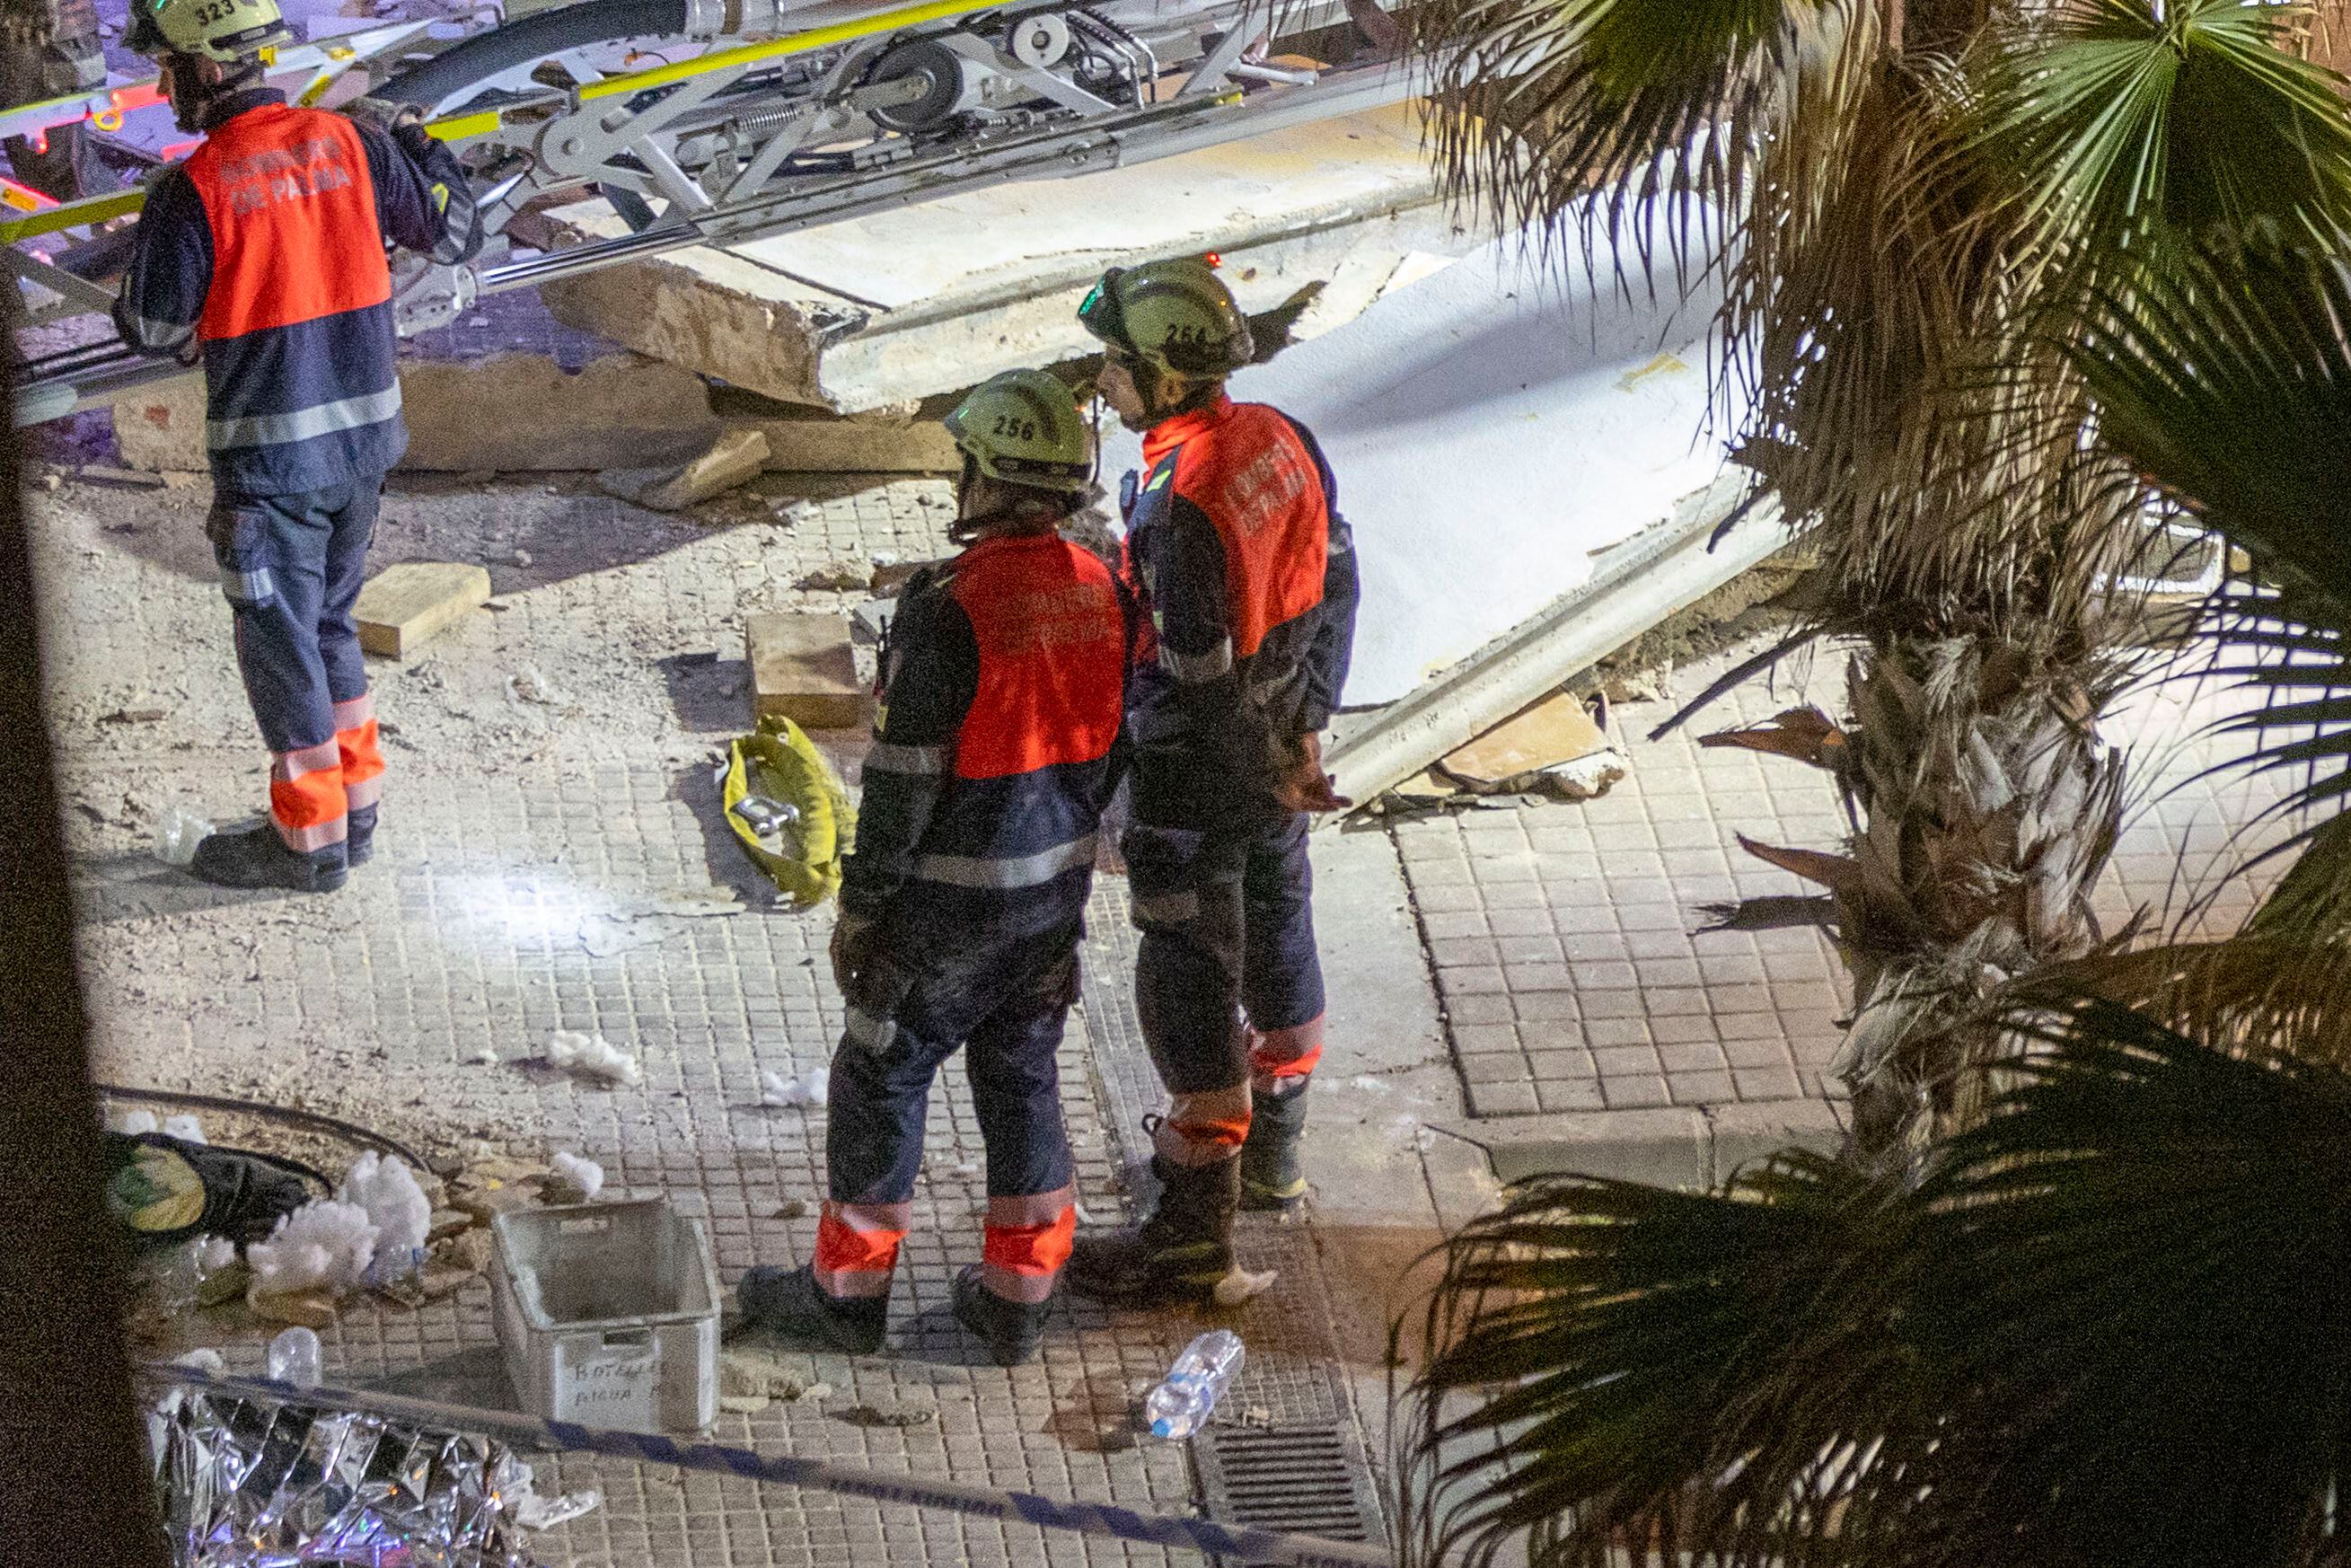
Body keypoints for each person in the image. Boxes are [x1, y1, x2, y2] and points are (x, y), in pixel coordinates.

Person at [737, 370, 1131, 1367]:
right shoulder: (1104, 591)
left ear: (988, 478)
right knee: (1022, 1078)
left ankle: (847, 1296)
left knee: (877, 1074)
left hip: (945, 911)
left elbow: (904, 785)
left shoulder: (950, 607)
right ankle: (1018, 1298)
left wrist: (862, 911)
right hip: (1049, 901)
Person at [112, 0, 480, 893]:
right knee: (327, 630)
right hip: (361, 453)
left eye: (170, 70)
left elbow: (154, 327)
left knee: (281, 653)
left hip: (271, 473)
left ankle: (308, 847)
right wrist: (420, 141)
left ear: (206, 68)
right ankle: (354, 815)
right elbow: (457, 232)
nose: (164, 89)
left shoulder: (195, 188)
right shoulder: (350, 144)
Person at [1066, 256, 1358, 1306]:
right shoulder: (1275, 437)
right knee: (1281, 933)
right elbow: (1337, 576)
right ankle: (1276, 1160)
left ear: (1164, 377)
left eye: (1114, 364)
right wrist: (1305, 734)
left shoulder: (1179, 502)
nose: (1102, 381)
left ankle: (1191, 1239)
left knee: (1187, 978)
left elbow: (1195, 678)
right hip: (1277, 737)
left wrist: (1252, 772)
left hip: (1202, 775)